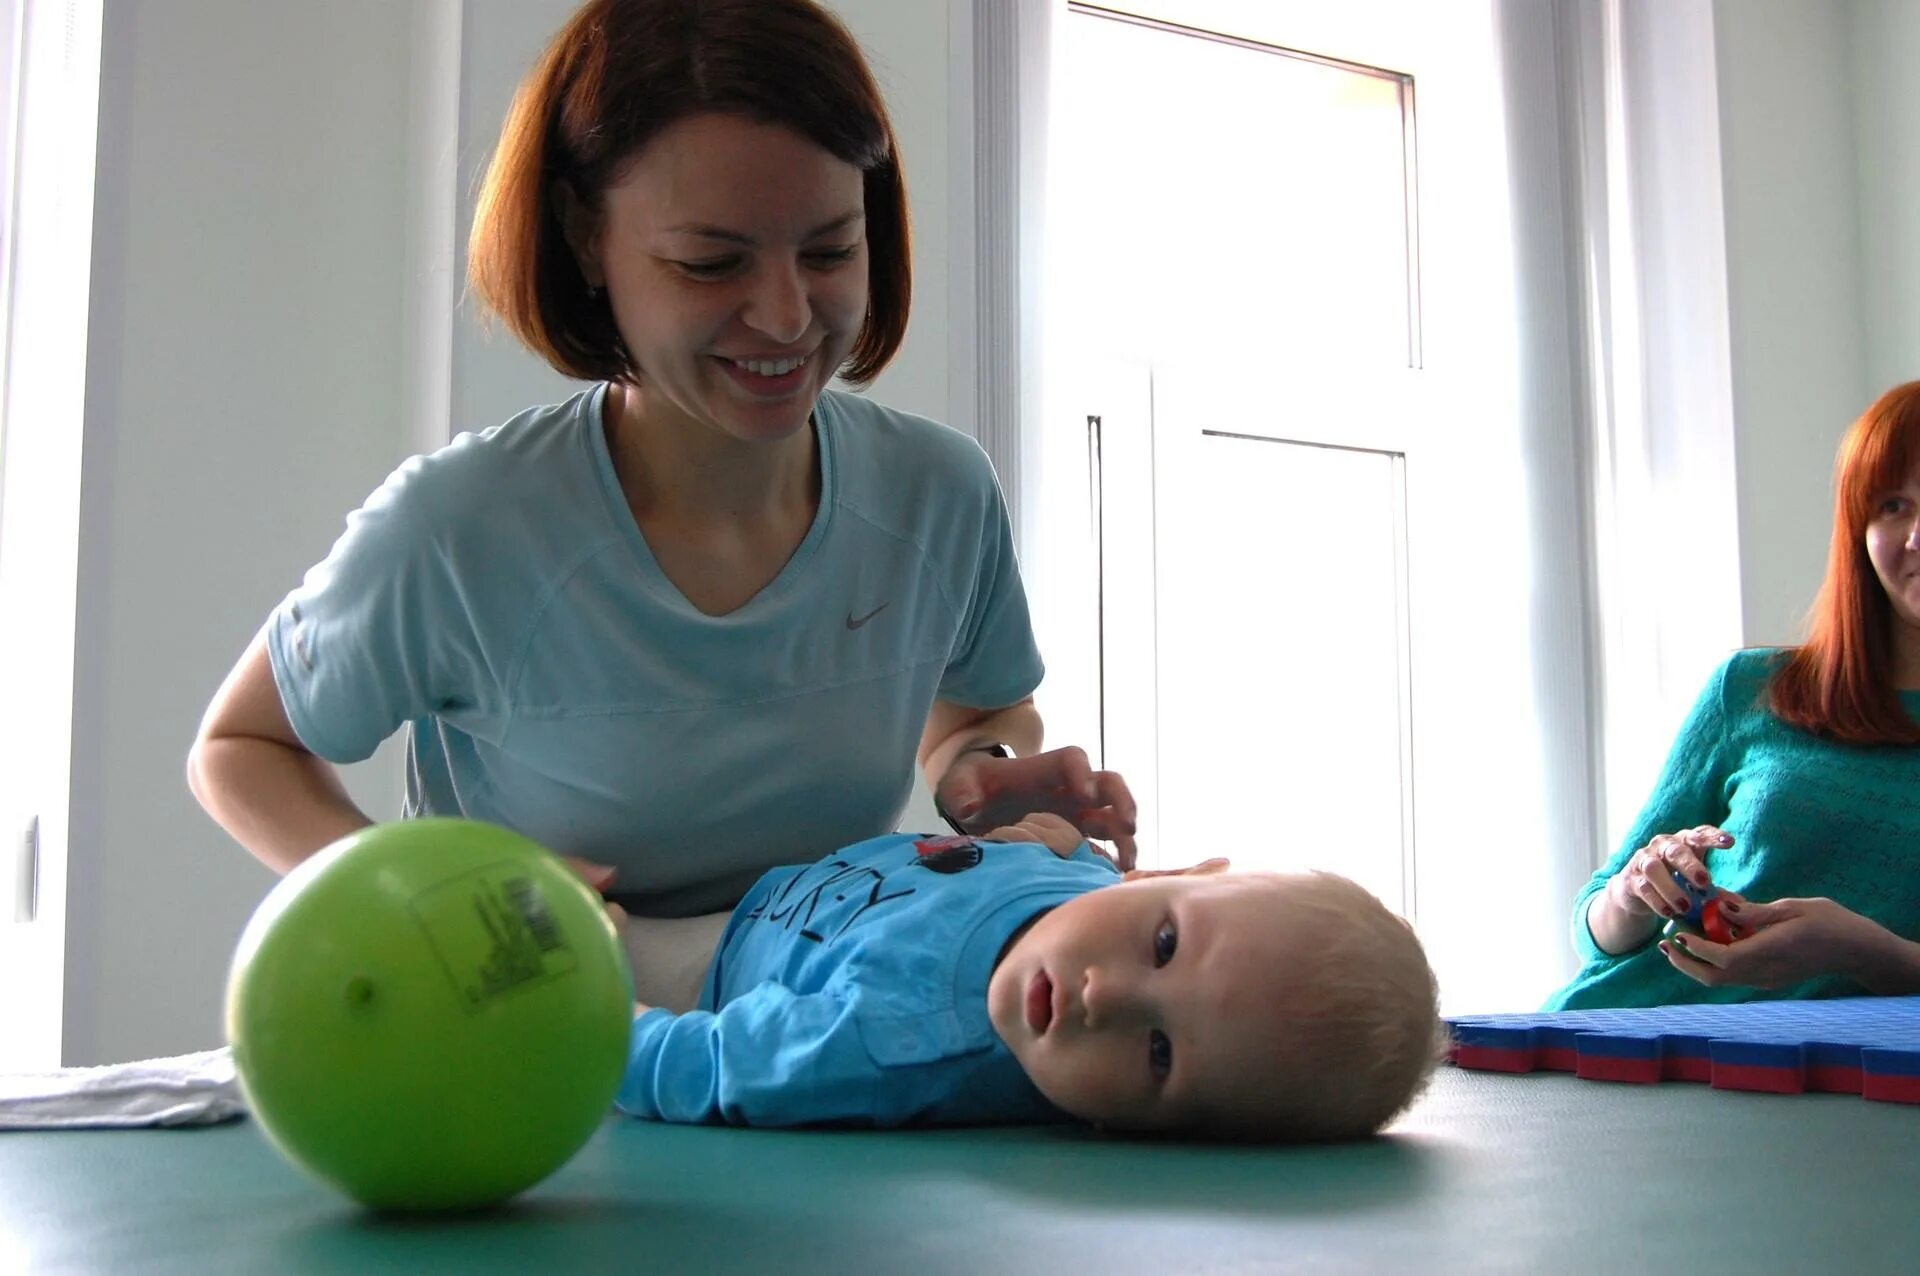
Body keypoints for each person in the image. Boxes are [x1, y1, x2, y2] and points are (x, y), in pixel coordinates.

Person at [185, 0, 1134, 1010]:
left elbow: (982, 709)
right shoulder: (461, 528)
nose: (784, 316)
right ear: (586, 240)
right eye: (710, 262)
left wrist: (980, 772)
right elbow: (240, 750)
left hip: (808, 1049)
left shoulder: (937, 493)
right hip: (539, 1059)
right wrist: (417, 905)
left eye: (827, 251)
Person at [617, 813, 1443, 1140]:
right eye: (1162, 944)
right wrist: (1038, 834)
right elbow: (1047, 865)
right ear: (1162, 878)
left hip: (713, 963)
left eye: (1159, 1056)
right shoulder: (1081, 878)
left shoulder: (887, 1044)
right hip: (774, 863)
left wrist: (598, 1018)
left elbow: (706, 1066)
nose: (1105, 998)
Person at [1547, 381, 1920, 1010]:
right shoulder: (1750, 688)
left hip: (1817, 1085)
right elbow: (1594, 927)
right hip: (1615, 1036)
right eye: (1893, 506)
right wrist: (1637, 890)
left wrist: (1860, 950)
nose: (1916, 537)